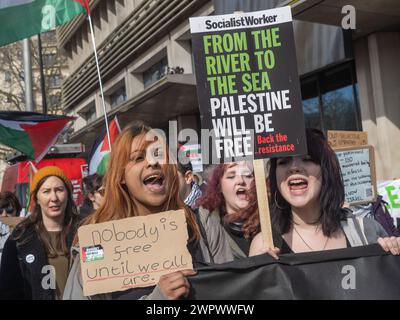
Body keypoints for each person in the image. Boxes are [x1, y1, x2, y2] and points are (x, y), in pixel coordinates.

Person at [63, 121, 208, 300]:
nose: (153, 162)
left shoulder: (201, 225)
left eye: (159, 154)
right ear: (121, 176)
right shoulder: (96, 243)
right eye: (139, 158)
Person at [250, 129, 400, 258]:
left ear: (326, 171)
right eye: (283, 162)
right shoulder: (264, 244)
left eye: (307, 159)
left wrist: (391, 254)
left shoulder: (368, 232)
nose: (294, 167)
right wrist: (260, 275)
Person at [0, 166, 80, 299]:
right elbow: (8, 290)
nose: (54, 198)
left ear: (68, 193)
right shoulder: (19, 238)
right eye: (46, 191)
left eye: (59, 190)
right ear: (36, 198)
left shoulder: (85, 230)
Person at [196, 161, 259, 263]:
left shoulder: (273, 222)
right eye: (231, 176)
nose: (241, 181)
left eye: (248, 175)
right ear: (219, 186)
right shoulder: (207, 228)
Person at [0, 192, 22, 263]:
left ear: (17, 211)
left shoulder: (24, 231)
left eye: (9, 210)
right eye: (0, 211)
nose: (4, 214)